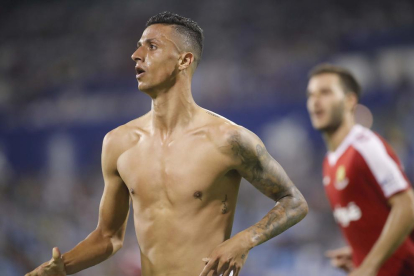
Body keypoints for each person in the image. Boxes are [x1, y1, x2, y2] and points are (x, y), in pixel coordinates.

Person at [26, 12, 308, 276]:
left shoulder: (227, 139)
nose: (136, 55)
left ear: (184, 60)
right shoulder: (119, 143)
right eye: (138, 47)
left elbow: (294, 202)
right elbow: (108, 238)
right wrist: (61, 267)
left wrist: (245, 240)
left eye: (151, 46)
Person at [306, 64, 414, 276]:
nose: (315, 101)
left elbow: (407, 204)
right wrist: (360, 253)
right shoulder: (330, 161)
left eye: (325, 92)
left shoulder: (365, 146)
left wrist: (369, 265)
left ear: (349, 101)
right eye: (311, 94)